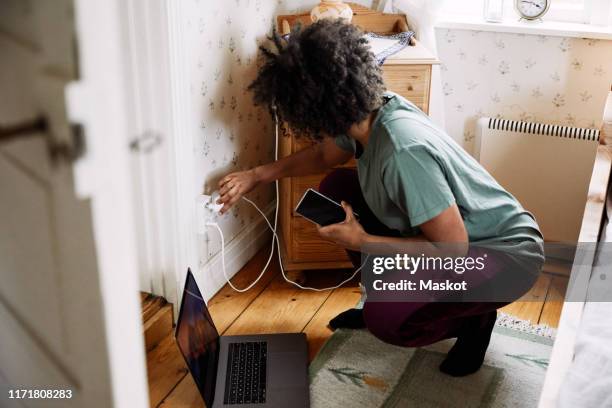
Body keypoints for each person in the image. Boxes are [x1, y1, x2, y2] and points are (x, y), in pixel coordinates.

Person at [216, 19, 544, 377]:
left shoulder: (402, 151)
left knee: (388, 322)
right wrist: (257, 175)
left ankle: (474, 320)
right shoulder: (369, 113)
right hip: (462, 237)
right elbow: (325, 156)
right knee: (337, 190)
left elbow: (453, 249)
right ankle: (398, 296)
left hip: (504, 256)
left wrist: (365, 241)